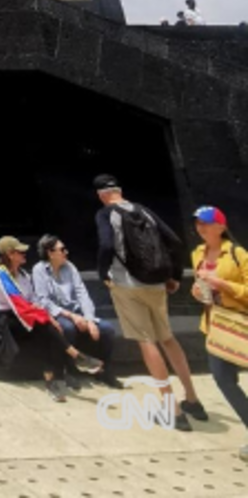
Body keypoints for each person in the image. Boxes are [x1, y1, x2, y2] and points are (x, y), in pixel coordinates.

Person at [94, 174, 205, 429]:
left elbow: (107, 245)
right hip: (157, 282)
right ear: (120, 190)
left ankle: (172, 409)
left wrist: (103, 275)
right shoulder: (143, 210)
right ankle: (192, 398)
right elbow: (174, 241)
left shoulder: (105, 214)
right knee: (168, 338)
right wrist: (174, 275)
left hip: (127, 285)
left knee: (147, 340)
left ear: (101, 195)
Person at [0, 236, 100, 402]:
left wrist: (47, 316)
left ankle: (52, 380)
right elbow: (18, 304)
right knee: (44, 326)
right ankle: (75, 356)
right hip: (7, 319)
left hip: (27, 314)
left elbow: (34, 299)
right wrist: (44, 317)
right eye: (20, 251)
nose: (25, 253)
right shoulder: (0, 275)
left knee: (47, 331)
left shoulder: (24, 275)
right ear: (10, 254)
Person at [192, 206, 248, 461]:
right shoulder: (197, 254)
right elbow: (204, 290)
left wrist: (221, 283)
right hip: (216, 327)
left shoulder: (238, 255)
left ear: (221, 227)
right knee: (223, 380)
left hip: (241, 325)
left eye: (206, 223)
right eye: (198, 223)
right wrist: (199, 291)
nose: (200, 227)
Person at [31, 234, 121, 388]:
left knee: (107, 329)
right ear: (50, 253)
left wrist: (90, 319)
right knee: (67, 328)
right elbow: (43, 300)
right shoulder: (39, 270)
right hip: (58, 313)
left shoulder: (70, 267)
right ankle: (70, 371)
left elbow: (82, 294)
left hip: (77, 312)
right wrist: (71, 316)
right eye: (62, 249)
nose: (66, 252)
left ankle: (104, 371)